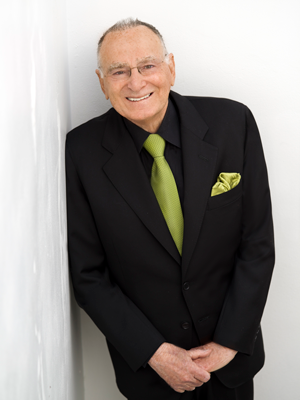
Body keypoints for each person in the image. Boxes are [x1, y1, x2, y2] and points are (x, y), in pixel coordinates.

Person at [65, 18, 275, 400]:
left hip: (230, 361)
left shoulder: (233, 123)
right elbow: (89, 275)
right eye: (119, 71)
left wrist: (230, 342)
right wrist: (154, 353)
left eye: (147, 65)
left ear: (170, 68)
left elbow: (257, 243)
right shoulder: (80, 151)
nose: (136, 82)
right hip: (149, 374)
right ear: (101, 81)